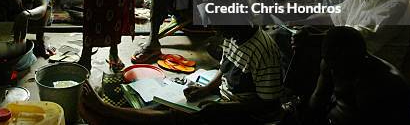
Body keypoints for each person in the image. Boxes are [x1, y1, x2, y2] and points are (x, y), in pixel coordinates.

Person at [80, 25, 283, 125]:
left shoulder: (264, 50)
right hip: (222, 99)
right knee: (165, 101)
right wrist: (205, 90)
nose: (213, 29)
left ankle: (105, 111)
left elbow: (268, 104)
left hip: (244, 113)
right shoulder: (234, 34)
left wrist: (222, 107)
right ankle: (109, 114)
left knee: (175, 118)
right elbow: (224, 70)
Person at [308, 26, 410, 125]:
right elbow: (318, 97)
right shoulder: (330, 62)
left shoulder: (383, 86)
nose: (334, 71)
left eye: (340, 65)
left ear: (359, 58)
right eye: (329, 62)